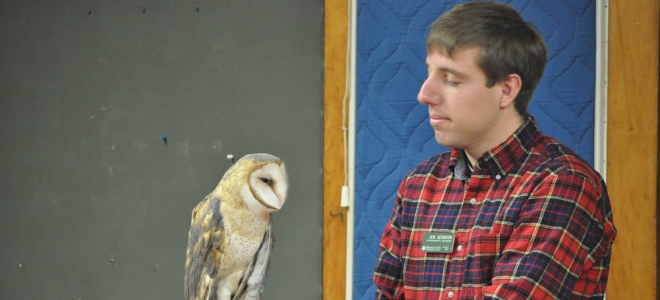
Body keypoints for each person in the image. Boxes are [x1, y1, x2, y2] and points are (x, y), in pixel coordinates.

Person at [373, 2, 616, 299]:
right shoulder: (418, 186)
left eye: (450, 79)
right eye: (429, 73)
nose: (424, 94)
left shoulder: (562, 183)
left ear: (505, 90)